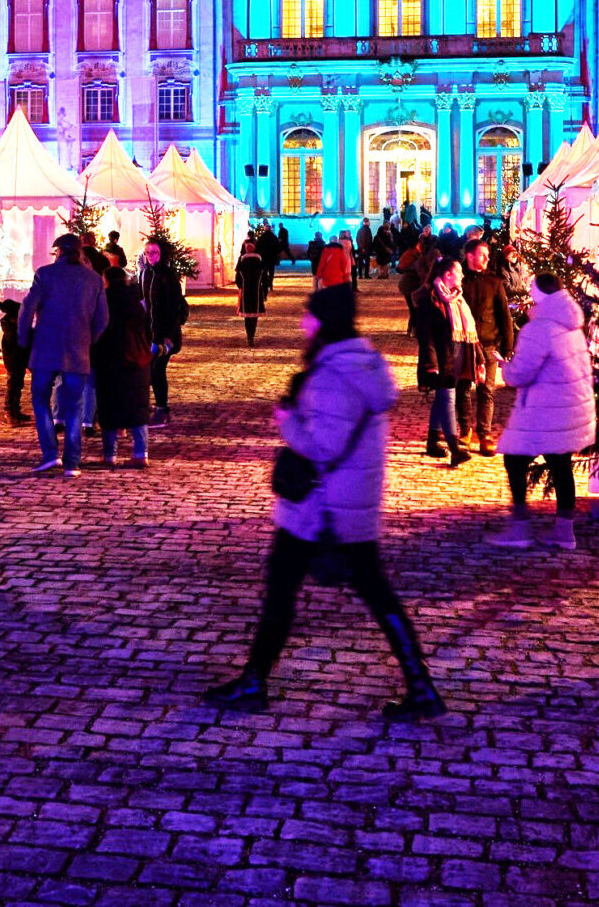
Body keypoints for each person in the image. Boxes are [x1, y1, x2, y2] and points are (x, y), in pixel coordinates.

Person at [202, 285, 444, 721]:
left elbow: (324, 447)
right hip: (351, 502)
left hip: (321, 505)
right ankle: (420, 683)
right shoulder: (360, 362)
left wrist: (288, 421)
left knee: (285, 591)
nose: (302, 324)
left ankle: (255, 681)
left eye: (308, 316)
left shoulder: (335, 374)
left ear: (324, 321)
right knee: (371, 593)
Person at [488, 272, 593, 550]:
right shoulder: (572, 324)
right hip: (569, 407)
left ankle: (520, 528)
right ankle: (564, 532)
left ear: (540, 293)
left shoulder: (540, 327)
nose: (529, 292)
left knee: (514, 459)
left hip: (544, 410)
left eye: (532, 288)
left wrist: (504, 366)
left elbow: (520, 374)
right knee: (560, 465)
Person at [17, 233, 109, 476]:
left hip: (46, 347)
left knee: (40, 400)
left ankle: (50, 453)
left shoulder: (45, 274)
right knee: (74, 406)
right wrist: (89, 339)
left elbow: (27, 308)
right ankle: (72, 462)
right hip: (78, 349)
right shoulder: (93, 279)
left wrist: (24, 339)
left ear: (58, 251)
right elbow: (102, 319)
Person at [414, 256, 478, 466]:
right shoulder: (430, 299)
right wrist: (431, 364)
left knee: (443, 399)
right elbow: (426, 336)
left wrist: (478, 358)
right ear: (447, 275)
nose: (462, 275)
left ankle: (433, 441)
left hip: (459, 354)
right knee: (448, 399)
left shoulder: (458, 297)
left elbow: (470, 330)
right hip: (442, 359)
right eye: (459, 271)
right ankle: (454, 447)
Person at [93, 264, 153, 468]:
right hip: (138, 359)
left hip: (111, 360)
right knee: (138, 409)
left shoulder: (104, 302)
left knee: (109, 408)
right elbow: (147, 331)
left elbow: (99, 333)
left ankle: (110, 455)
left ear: (107, 281)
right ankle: (141, 453)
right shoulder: (136, 303)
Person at [460, 238, 514, 455]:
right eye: (483, 255)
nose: (487, 259)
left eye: (488, 255)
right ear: (470, 256)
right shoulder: (459, 280)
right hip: (464, 344)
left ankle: (485, 433)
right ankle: (465, 430)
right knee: (463, 388)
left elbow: (505, 317)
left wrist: (508, 348)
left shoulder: (494, 282)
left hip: (489, 344)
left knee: (487, 391)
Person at [140, 241, 186, 426]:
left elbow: (173, 307)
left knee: (157, 369)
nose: (151, 256)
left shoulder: (168, 276)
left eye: (154, 252)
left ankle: (162, 409)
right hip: (150, 333)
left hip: (166, 334)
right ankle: (158, 407)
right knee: (150, 370)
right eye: (148, 252)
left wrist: (167, 336)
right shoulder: (145, 274)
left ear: (161, 254)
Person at [0, 299, 27, 425]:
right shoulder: (11, 328)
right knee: (13, 385)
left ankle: (15, 409)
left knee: (17, 384)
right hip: (14, 360)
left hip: (18, 360)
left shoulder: (12, 326)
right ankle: (9, 411)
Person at [236, 238, 267, 346]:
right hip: (257, 291)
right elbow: (264, 278)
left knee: (247, 316)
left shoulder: (242, 260)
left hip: (245, 291)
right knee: (254, 315)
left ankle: (249, 335)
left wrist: (240, 287)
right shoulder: (259, 260)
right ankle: (252, 335)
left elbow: (237, 278)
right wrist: (265, 292)